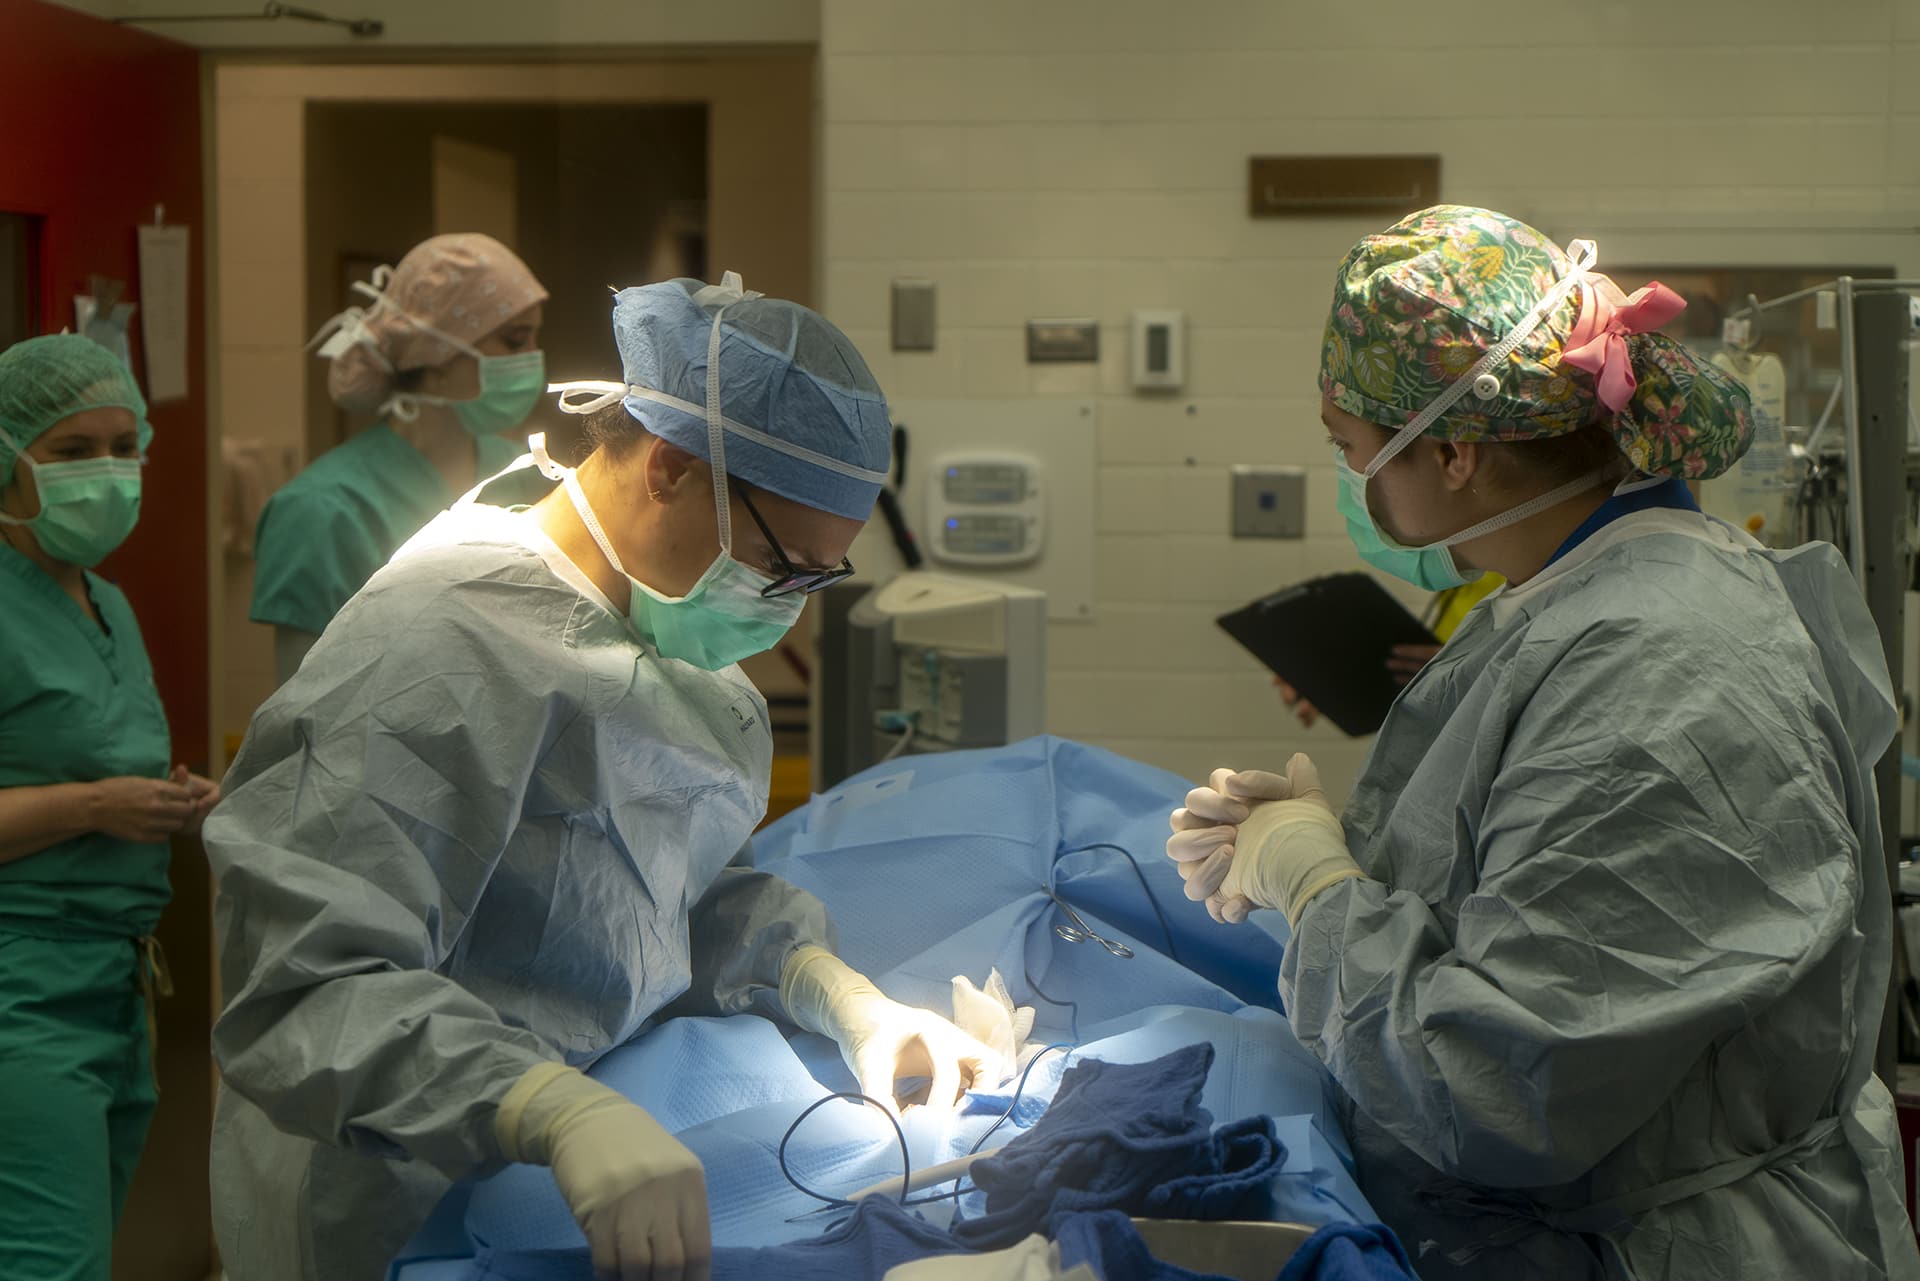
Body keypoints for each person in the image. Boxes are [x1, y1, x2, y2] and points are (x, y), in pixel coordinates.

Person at [1166, 207, 1920, 1280]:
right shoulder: (1584, 602)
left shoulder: (1659, 665)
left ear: (1459, 450)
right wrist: (1321, 848)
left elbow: (1502, 1087)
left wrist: (1319, 887)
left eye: (1349, 445)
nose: (1348, 474)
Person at [206, 273, 1002, 1281]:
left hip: (562, 1194)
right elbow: (303, 990)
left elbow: (655, 883)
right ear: (669, 468)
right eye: (780, 564)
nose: (786, 601)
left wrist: (833, 992)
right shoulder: (435, 649)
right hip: (400, 1209)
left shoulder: (653, 616)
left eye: (816, 577)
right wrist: (546, 1107)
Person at [0, 334, 220, 1281]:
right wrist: (94, 804)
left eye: (123, 445)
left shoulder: (108, 604)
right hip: (22, 991)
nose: (108, 472)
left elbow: (94, 748)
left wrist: (171, 798)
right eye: (73, 450)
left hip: (119, 985)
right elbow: (83, 786)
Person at [250, 233, 550, 683]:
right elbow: (304, 716)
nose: (533, 359)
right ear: (438, 354)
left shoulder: (529, 475)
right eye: (513, 340)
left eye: (534, 338)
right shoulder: (322, 511)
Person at [1273, 574, 1500, 730]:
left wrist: (1467, 674)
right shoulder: (1469, 568)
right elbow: (1428, 659)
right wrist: (1336, 673)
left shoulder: (1520, 566)